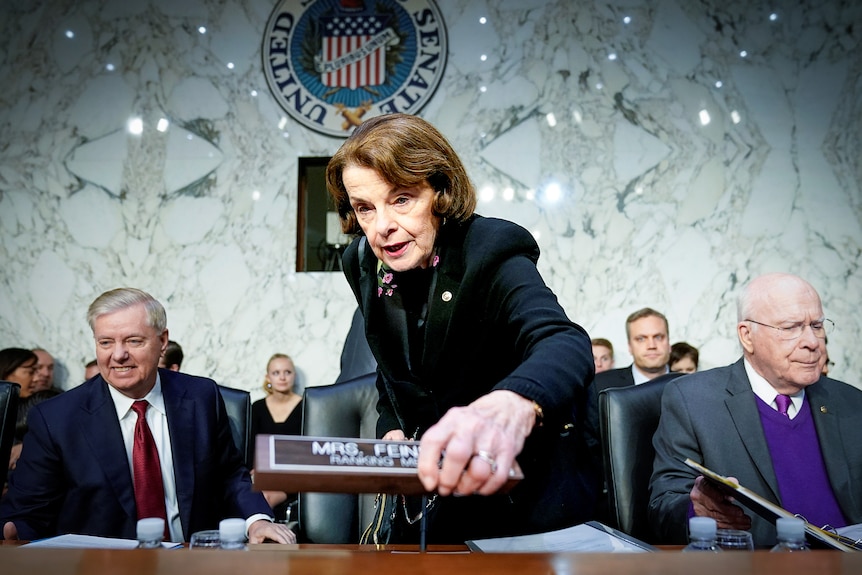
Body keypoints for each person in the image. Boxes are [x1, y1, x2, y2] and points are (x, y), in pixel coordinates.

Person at [325, 113, 597, 543]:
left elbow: (562, 340)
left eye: (401, 199)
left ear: (441, 190)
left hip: (523, 504)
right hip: (435, 503)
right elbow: (394, 366)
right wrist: (390, 423)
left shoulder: (489, 248)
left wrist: (512, 403)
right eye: (364, 208)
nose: (381, 227)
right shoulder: (360, 262)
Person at [0, 288, 295, 544]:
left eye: (133, 341)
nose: (118, 355)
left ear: (162, 341)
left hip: (193, 563)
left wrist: (257, 521)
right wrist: (15, 533)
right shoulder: (56, 419)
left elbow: (230, 475)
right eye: (105, 342)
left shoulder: (200, 397)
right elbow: (27, 513)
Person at [649, 273, 862, 547]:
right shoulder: (693, 401)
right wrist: (698, 512)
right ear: (747, 336)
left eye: (817, 325)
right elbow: (662, 510)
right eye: (791, 327)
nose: (812, 341)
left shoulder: (851, 401)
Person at [250, 353, 303, 517]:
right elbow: (251, 446)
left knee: (267, 497)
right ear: (268, 377)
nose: (282, 377)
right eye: (276, 373)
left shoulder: (307, 406)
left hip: (295, 475)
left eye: (287, 372)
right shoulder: (257, 407)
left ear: (294, 375)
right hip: (264, 474)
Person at [593, 308, 671, 393]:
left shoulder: (687, 384)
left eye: (658, 337)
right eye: (641, 339)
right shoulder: (599, 385)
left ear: (668, 342)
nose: (651, 346)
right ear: (630, 346)